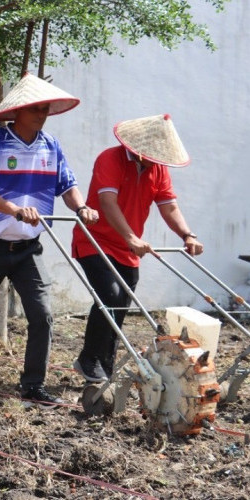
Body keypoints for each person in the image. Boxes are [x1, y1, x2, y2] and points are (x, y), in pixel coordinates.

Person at [0, 73, 99, 409]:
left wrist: (82, 206)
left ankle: (33, 386)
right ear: (17, 112)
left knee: (42, 316)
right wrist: (13, 209)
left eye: (44, 108)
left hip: (28, 249)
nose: (41, 114)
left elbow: (68, 186)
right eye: (34, 109)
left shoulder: (51, 146)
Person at [71, 114, 203, 382]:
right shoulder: (110, 159)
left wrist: (187, 234)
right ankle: (89, 359)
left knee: (121, 303)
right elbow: (107, 202)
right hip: (95, 240)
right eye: (154, 154)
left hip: (128, 247)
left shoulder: (158, 170)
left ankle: (104, 366)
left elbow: (169, 206)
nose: (157, 160)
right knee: (109, 294)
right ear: (139, 149)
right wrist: (132, 238)